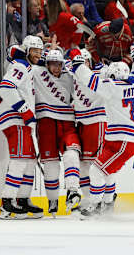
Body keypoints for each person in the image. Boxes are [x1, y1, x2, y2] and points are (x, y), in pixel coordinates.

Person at [68, 44, 134, 217]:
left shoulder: (112, 87)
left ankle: (94, 206)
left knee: (96, 170)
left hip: (123, 138)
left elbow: (87, 78)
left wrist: (76, 59)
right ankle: (108, 204)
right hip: (122, 138)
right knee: (107, 171)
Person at [0, 36, 44, 219]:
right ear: (26, 50)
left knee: (29, 160)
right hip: (16, 119)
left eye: (40, 51)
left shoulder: (28, 66)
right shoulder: (20, 65)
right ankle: (7, 203)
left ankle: (22, 199)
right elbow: (6, 88)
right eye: (35, 50)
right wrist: (25, 110)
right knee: (20, 160)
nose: (38, 54)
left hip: (22, 121)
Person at [33, 48, 82, 217]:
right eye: (52, 64)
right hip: (45, 122)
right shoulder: (37, 72)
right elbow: (23, 60)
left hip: (67, 121)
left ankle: (73, 190)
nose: (56, 67)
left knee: (72, 154)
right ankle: (52, 201)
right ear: (46, 64)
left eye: (58, 64)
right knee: (51, 165)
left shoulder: (69, 76)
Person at [71, 49, 110, 210]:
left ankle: (104, 200)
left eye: (86, 61)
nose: (83, 65)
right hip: (81, 123)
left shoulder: (102, 73)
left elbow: (120, 76)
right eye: (81, 62)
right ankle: (89, 200)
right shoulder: (72, 71)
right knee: (84, 164)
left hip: (97, 122)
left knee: (98, 164)